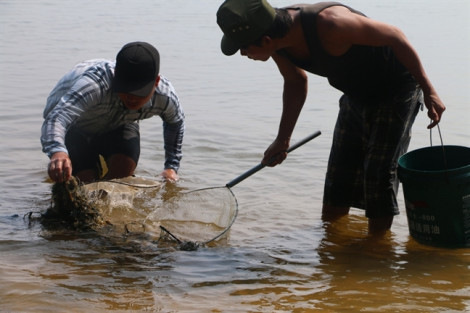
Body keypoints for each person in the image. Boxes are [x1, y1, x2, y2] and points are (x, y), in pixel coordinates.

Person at [216, 0, 446, 234]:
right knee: (338, 175)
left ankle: (376, 251)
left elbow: (396, 36)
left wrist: (429, 91)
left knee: (378, 175)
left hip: (396, 89)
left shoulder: (331, 25)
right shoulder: (277, 40)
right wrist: (282, 139)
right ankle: (332, 246)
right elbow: (296, 81)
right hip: (355, 92)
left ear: (265, 41)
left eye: (243, 48)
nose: (243, 54)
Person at [41, 41, 185, 184]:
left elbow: (175, 123)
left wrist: (171, 167)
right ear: (116, 75)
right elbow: (57, 118)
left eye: (140, 93)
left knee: (122, 174)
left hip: (118, 123)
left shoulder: (165, 96)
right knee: (85, 180)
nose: (132, 98)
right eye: (126, 89)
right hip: (75, 125)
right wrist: (58, 152)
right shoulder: (95, 84)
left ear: (156, 82)